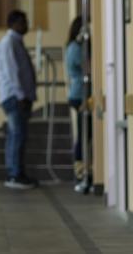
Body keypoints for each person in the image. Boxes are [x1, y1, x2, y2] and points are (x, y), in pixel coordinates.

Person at [0, 10, 38, 190]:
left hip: (20, 96)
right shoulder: (9, 43)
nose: (26, 24)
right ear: (14, 23)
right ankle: (14, 175)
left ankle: (18, 172)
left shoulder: (15, 42)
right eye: (24, 21)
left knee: (18, 136)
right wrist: (21, 95)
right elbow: (12, 71)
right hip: (15, 97)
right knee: (16, 136)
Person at [65, 16, 91, 192]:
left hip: (82, 94)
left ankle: (84, 170)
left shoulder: (75, 46)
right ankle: (80, 172)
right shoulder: (75, 48)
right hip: (79, 95)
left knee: (86, 134)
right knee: (84, 135)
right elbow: (87, 68)